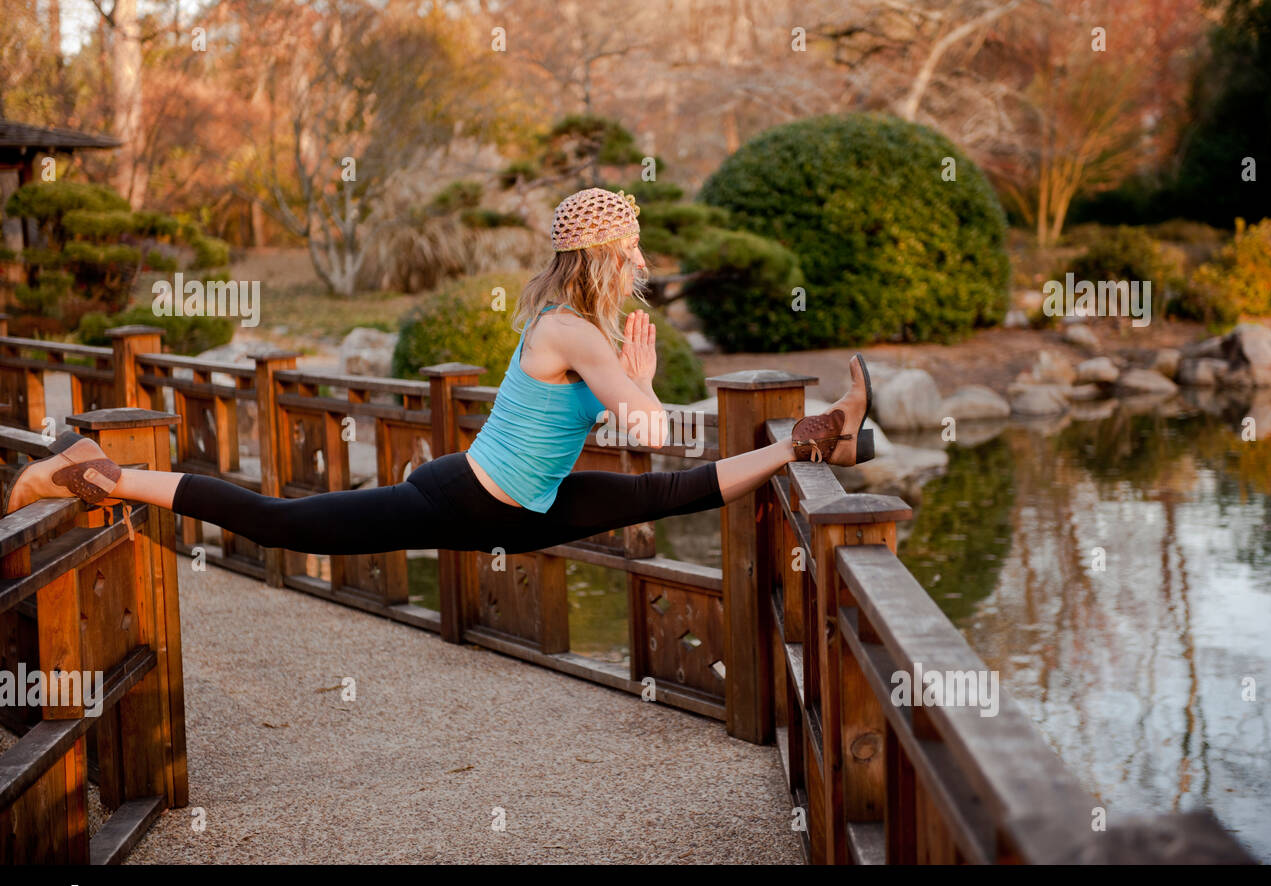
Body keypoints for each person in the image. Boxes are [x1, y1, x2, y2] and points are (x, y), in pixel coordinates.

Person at [3, 187, 874, 557]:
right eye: (632, 246)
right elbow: (647, 427)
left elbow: (656, 429)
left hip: (512, 504)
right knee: (279, 522)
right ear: (602, 256)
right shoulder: (575, 331)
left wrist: (644, 387)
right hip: (465, 498)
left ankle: (812, 439)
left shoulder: (581, 325)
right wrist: (642, 383)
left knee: (667, 495)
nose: (642, 259)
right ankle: (95, 473)